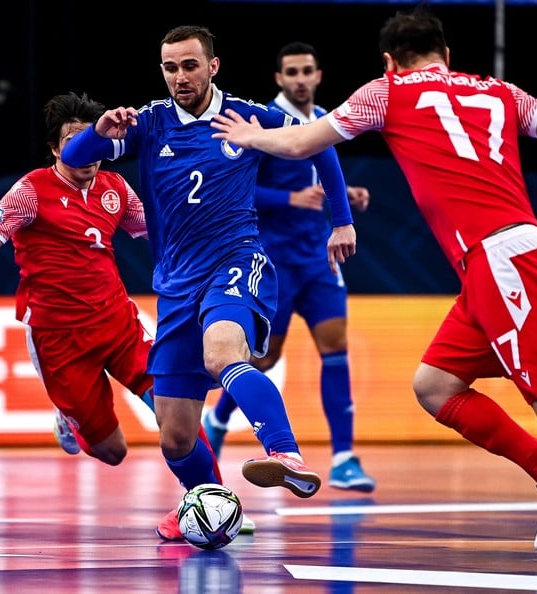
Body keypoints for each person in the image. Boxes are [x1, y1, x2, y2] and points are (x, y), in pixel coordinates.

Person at [210, 7, 537, 571]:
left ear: (389, 60)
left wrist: (251, 136)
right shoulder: (498, 91)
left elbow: (302, 142)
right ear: (447, 55)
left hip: (502, 262)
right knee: (434, 386)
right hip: (503, 260)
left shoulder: (387, 91)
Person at [61, 26, 357, 527]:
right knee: (175, 435)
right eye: (170, 67)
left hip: (236, 262)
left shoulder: (246, 115)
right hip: (176, 284)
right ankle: (209, 504)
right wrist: (99, 132)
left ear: (212, 66)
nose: (180, 76)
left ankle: (285, 453)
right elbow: (72, 159)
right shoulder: (148, 123)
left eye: (190, 65)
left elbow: (321, 143)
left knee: (221, 353)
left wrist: (341, 220)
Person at [0, 91, 250, 541]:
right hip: (60, 342)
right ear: (56, 149)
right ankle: (68, 419)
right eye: (73, 141)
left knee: (173, 409)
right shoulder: (31, 192)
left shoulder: (115, 189)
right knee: (113, 451)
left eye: (91, 140)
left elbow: (161, 235)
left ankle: (213, 502)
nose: (86, 152)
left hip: (119, 325)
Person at [202, 41, 376, 492]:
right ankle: (217, 419)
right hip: (271, 261)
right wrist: (289, 199)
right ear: (280, 78)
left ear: (318, 76)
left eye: (307, 71)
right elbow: (239, 187)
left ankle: (344, 458)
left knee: (335, 347)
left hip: (319, 259)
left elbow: (319, 176)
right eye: (292, 72)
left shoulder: (322, 120)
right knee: (265, 357)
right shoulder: (261, 120)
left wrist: (345, 200)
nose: (300, 79)